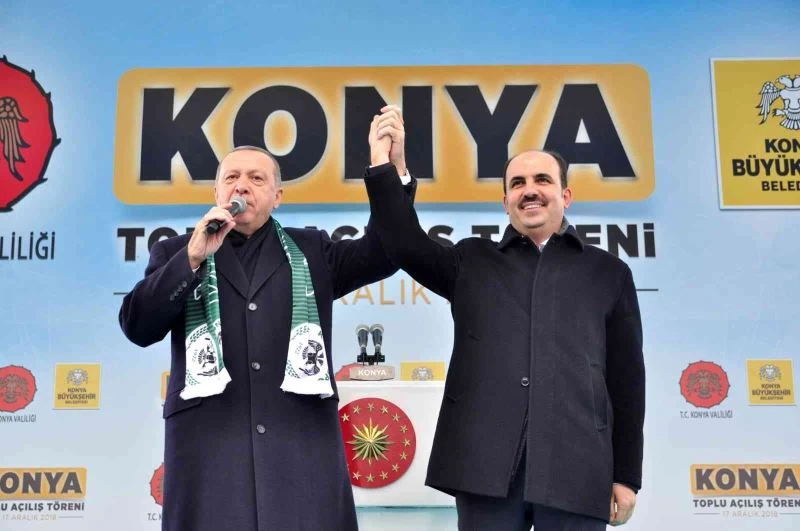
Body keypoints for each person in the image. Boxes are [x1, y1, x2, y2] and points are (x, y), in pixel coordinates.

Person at [364, 106, 645, 530]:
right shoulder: (472, 260)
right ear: (505, 201)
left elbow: (627, 382)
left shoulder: (608, 273)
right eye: (517, 184)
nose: (529, 191)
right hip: (485, 469)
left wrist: (625, 475)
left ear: (566, 196)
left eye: (542, 180)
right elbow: (403, 242)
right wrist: (390, 168)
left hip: (579, 467)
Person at [119, 138, 412, 531]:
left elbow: (385, 251)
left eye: (256, 178)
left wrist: (390, 175)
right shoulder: (178, 251)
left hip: (299, 453)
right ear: (217, 193)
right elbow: (138, 326)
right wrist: (191, 258)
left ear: (277, 197)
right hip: (210, 456)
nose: (242, 185)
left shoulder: (312, 251)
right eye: (231, 178)